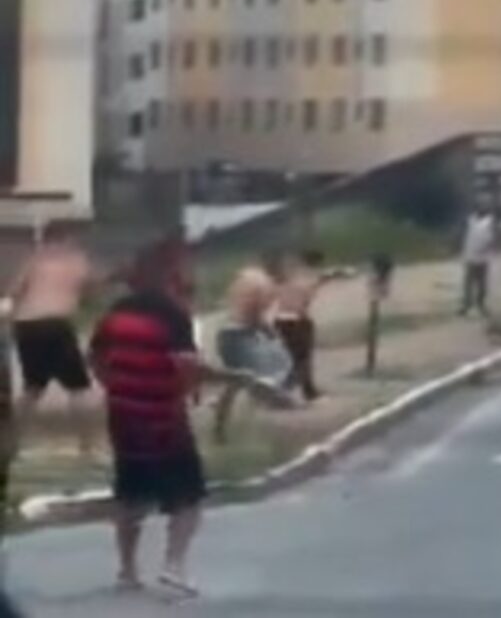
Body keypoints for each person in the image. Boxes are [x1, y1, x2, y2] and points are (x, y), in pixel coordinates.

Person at [89, 241, 205, 597]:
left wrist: (115, 388)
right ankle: (173, 566)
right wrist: (181, 393)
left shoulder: (114, 314)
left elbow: (94, 358)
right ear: (167, 276)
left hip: (124, 415)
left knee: (129, 492)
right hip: (164, 417)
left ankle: (127, 569)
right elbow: (186, 365)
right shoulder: (173, 315)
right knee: (189, 494)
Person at [6, 224, 95, 456]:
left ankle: (12, 440)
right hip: (55, 324)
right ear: (66, 239)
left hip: (26, 324)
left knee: (33, 387)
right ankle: (87, 444)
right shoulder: (75, 259)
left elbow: (15, 290)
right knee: (79, 387)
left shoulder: (34, 260)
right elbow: (89, 287)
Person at [211, 252, 293, 443]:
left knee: (234, 380)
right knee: (277, 364)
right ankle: (274, 400)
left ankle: (219, 429)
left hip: (225, 334)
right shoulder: (265, 286)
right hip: (241, 336)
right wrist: (273, 334)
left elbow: (235, 306)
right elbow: (256, 316)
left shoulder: (246, 277)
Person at [273, 250, 339, 403]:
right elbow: (319, 280)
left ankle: (282, 390)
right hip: (298, 320)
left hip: (280, 321)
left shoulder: (285, 278)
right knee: (303, 358)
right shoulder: (307, 278)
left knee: (287, 357)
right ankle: (307, 391)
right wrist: (333, 275)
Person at [459, 203, 495, 316]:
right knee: (469, 284)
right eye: (479, 208)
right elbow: (463, 233)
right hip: (471, 257)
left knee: (480, 285)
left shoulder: (488, 222)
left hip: (481, 259)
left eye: (482, 209)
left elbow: (490, 239)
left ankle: (480, 305)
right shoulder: (471, 221)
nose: (480, 211)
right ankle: (467, 305)